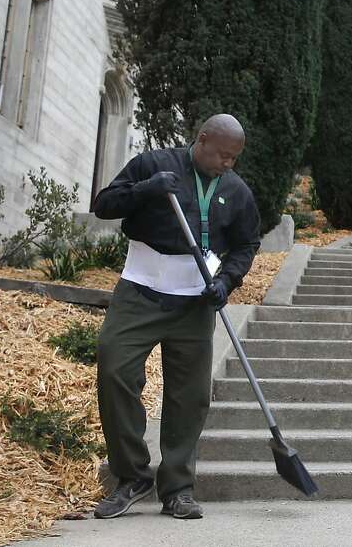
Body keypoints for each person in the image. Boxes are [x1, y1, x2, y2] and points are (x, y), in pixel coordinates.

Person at [91, 114, 260, 520]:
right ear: (202, 140)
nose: (228, 164)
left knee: (190, 396)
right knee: (114, 367)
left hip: (195, 302)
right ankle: (132, 476)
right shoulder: (153, 164)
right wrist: (145, 190)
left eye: (235, 158)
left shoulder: (236, 191)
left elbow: (246, 243)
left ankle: (178, 489)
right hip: (140, 291)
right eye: (223, 155)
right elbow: (104, 205)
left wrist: (227, 282)